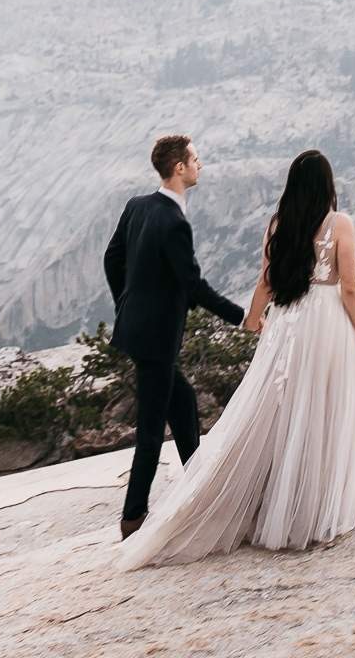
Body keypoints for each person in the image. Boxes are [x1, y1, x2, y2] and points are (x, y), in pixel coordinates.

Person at [119, 148, 355, 568]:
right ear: (327, 185)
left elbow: (266, 281)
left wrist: (254, 319)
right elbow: (349, 286)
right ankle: (318, 502)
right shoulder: (340, 223)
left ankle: (271, 499)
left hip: (288, 322)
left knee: (280, 410)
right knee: (325, 408)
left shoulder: (278, 223)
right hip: (328, 324)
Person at [104, 134, 249, 539]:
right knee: (151, 433)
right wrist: (244, 318)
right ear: (179, 168)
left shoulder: (137, 205)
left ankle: (200, 490)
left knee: (183, 403)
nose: (201, 165)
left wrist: (126, 304)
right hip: (155, 339)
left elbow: (112, 258)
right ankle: (133, 519)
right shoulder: (174, 222)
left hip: (140, 332)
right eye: (196, 159)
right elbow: (194, 287)